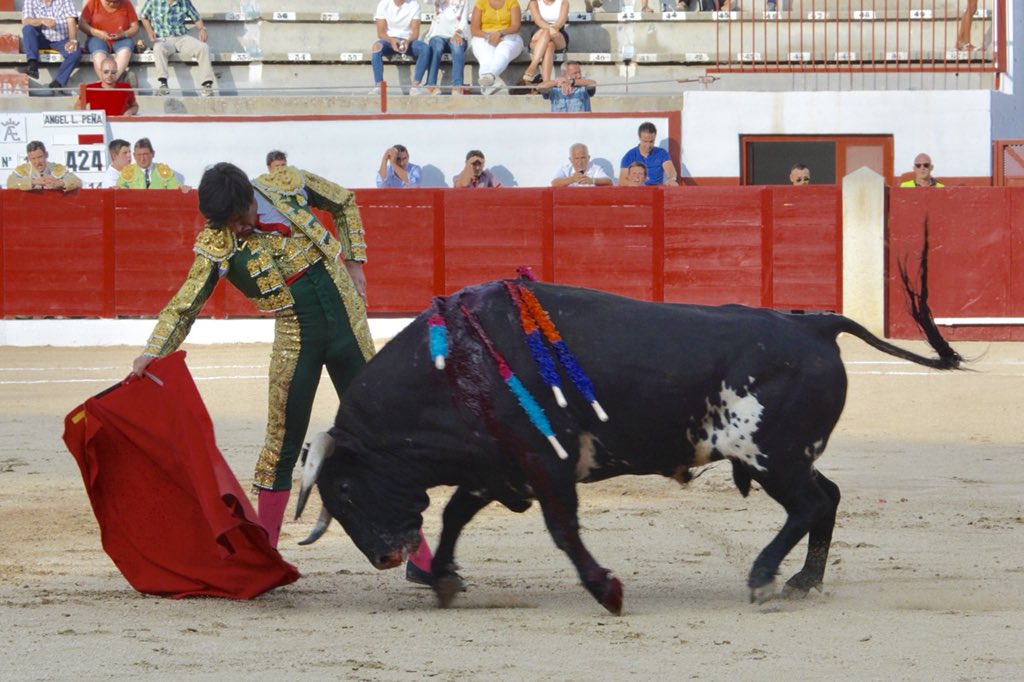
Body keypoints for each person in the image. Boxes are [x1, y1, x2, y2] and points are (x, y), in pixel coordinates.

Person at [129, 162, 374, 552]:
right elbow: (184, 306)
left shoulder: (287, 184)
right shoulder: (216, 243)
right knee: (280, 446)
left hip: (348, 323)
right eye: (223, 225)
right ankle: (268, 555)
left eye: (236, 219)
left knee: (381, 431)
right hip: (298, 338)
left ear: (248, 199)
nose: (234, 231)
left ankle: (420, 556)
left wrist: (354, 261)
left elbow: (344, 201)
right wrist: (153, 350)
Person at [139, 0, 215, 96]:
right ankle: (163, 84)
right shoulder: (153, 1)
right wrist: (150, 31)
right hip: (163, 39)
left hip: (181, 37)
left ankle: (207, 84)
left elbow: (196, 17)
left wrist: (202, 29)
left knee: (203, 47)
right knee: (158, 48)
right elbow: (143, 16)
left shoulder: (184, 2)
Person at [19, 0, 82, 92]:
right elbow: (25, 21)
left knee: (75, 53)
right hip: (40, 39)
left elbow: (71, 20)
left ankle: (58, 82)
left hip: (61, 40)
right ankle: (33, 65)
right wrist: (42, 20)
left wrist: (72, 40)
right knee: (28, 29)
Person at [370, 0, 430, 96]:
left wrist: (407, 41)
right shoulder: (383, 4)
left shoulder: (414, 4)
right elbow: (380, 33)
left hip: (408, 40)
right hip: (389, 40)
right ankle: (379, 85)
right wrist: (391, 40)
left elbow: (415, 32)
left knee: (425, 48)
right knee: (376, 47)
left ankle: (415, 86)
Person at [470, 0, 523, 95]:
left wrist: (499, 33)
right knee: (485, 57)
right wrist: (489, 36)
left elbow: (516, 26)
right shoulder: (481, 3)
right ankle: (489, 85)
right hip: (484, 36)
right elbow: (474, 29)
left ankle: (490, 75)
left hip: (509, 36)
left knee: (503, 51)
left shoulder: (512, 2)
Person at [79, 0, 139, 84]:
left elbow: (135, 27)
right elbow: (81, 24)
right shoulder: (93, 3)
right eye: (108, 2)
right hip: (97, 38)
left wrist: (124, 34)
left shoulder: (126, 3)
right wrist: (97, 33)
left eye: (116, 2)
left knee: (126, 50)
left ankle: (108, 84)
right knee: (98, 53)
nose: (112, 4)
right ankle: (116, 82)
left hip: (120, 39)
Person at [422, 0, 471, 96]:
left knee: (457, 48)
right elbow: (426, 1)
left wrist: (458, 33)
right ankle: (431, 84)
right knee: (437, 48)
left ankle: (457, 86)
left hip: (456, 34)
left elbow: (464, 19)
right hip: (437, 35)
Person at [519, 0, 568, 87]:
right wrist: (548, 29)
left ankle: (532, 66)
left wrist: (551, 29)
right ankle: (546, 83)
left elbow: (561, 22)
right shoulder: (534, 2)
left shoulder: (564, 2)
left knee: (547, 32)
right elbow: (538, 20)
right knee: (549, 45)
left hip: (558, 34)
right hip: (540, 32)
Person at [74, 56, 139, 116]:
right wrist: (89, 115)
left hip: (120, 124)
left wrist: (129, 112)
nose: (109, 75)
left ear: (116, 72)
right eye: (106, 72)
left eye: (113, 72)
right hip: (99, 126)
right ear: (101, 72)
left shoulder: (125, 87)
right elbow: (77, 106)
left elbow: (135, 106)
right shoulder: (90, 88)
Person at [6, 140, 82, 191]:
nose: (37, 162)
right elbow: (10, 183)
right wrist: (33, 182)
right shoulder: (23, 170)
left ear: (46, 155)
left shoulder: (56, 169)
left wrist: (60, 183)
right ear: (28, 158)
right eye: (33, 159)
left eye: (40, 157)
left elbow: (78, 182)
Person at [618, 121, 677, 186]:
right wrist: (638, 186)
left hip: (656, 192)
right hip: (637, 192)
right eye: (645, 141)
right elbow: (622, 181)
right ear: (639, 138)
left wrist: (671, 179)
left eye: (651, 142)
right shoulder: (629, 156)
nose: (648, 145)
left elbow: (671, 170)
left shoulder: (662, 153)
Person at [116, 137, 186, 190]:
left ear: (152, 154)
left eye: (145, 154)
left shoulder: (163, 171)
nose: (142, 159)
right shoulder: (127, 172)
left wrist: (181, 188)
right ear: (134, 155)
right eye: (139, 155)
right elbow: (120, 190)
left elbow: (175, 188)